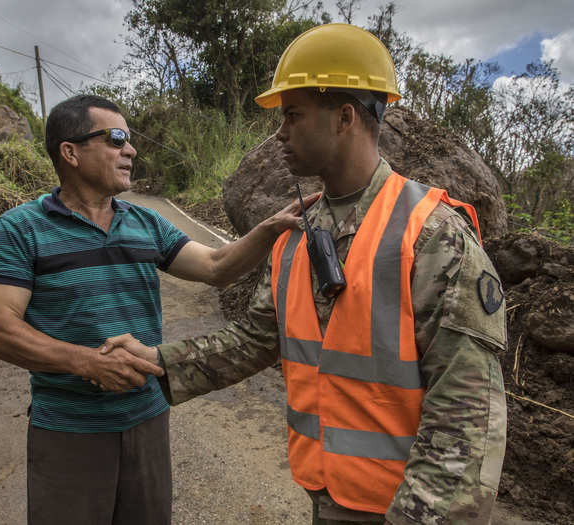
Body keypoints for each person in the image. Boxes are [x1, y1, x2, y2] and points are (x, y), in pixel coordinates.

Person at [106, 24, 508, 525]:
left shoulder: (432, 235)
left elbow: (467, 419)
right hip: (327, 494)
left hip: (402, 509)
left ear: (344, 118)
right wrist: (160, 363)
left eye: (292, 115)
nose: (280, 132)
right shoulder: (297, 231)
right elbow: (255, 339)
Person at [0, 94, 317, 525]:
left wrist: (270, 228)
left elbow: (216, 267)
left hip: (147, 420)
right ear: (71, 152)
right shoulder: (21, 229)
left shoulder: (145, 223)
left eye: (130, 139)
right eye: (116, 138)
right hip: (69, 429)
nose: (131, 150)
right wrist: (86, 363)